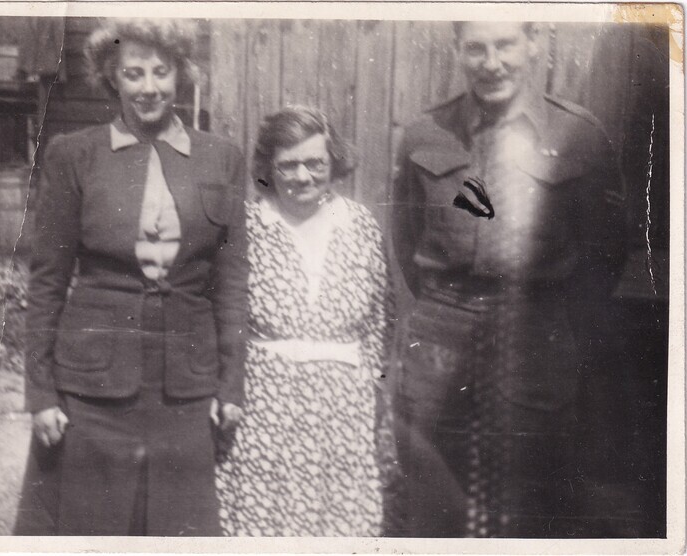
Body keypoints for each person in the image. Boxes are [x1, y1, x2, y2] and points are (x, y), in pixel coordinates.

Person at [392, 21, 627, 537]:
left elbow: (606, 251)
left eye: (505, 45)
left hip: (534, 325)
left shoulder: (578, 134)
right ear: (458, 50)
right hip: (442, 323)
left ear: (534, 44)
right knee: (434, 481)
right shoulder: (425, 132)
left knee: (532, 481)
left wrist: (555, 320)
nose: (491, 62)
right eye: (476, 48)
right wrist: (446, 305)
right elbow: (405, 238)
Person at [14, 18, 247, 536]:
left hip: (186, 382)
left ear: (181, 75)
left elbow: (231, 283)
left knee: (175, 529)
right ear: (111, 77)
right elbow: (47, 281)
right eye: (133, 73)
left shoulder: (221, 158)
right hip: (94, 384)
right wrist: (42, 394)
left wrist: (231, 385)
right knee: (90, 526)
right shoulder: (74, 155)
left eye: (160, 72)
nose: (148, 87)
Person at [215, 106, 393, 536]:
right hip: (264, 409)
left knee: (339, 526)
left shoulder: (360, 225)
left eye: (314, 162)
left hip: (342, 409)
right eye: (287, 165)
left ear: (333, 162)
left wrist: (368, 389)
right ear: (268, 168)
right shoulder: (247, 225)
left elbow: (378, 319)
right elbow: (223, 312)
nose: (302, 176)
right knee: (262, 525)